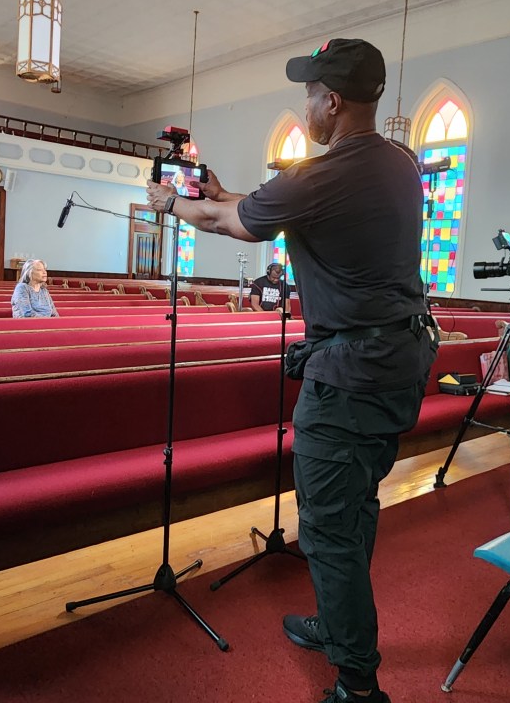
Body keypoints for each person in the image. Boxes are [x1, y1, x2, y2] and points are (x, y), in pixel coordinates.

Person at [146, 38, 437, 703]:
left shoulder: (320, 175)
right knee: (355, 507)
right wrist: (232, 193)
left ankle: (358, 684)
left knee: (329, 529)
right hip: (399, 364)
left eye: (309, 93)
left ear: (330, 102)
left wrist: (176, 205)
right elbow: (279, 204)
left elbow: (226, 221)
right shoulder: (399, 162)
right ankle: (337, 627)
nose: (304, 103)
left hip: (350, 376)